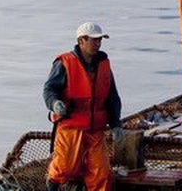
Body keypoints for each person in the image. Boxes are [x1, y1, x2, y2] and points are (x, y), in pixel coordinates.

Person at [44, 22, 123, 191]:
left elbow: (112, 97)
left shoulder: (104, 64)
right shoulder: (64, 63)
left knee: (101, 174)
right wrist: (55, 104)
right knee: (65, 167)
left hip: (96, 128)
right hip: (71, 125)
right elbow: (50, 89)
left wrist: (116, 124)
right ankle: (52, 185)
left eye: (99, 40)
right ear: (81, 41)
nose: (98, 44)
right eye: (94, 40)